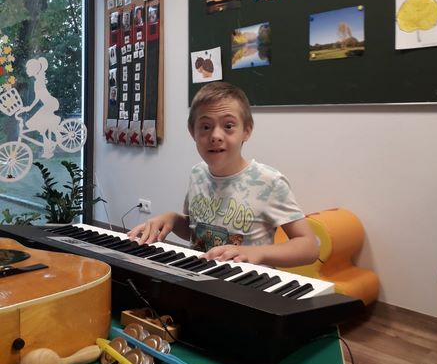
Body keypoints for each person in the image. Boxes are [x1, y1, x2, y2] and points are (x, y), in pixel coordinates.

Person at [128, 82, 319, 267]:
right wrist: (172, 219)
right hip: (201, 277)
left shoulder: (269, 182)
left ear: (246, 130)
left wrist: (256, 253)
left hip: (247, 284)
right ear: (192, 132)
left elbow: (309, 247)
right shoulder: (197, 174)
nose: (215, 136)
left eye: (228, 126)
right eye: (205, 127)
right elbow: (196, 231)